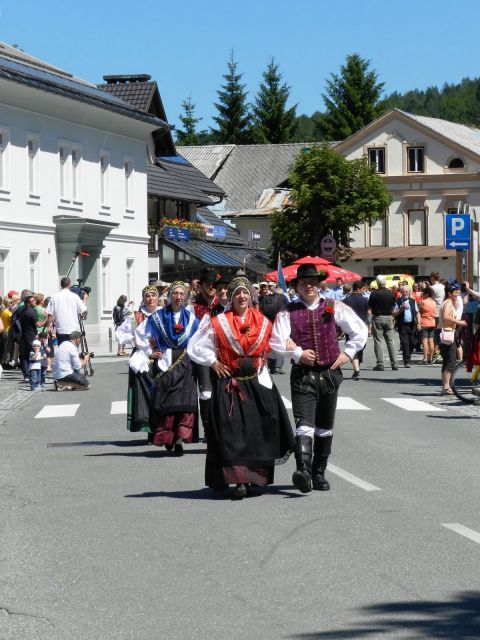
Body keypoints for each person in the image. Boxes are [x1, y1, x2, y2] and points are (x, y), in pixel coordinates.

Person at [187, 276, 295, 499]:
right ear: (231, 297)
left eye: (245, 292)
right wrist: (213, 362)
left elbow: (274, 346)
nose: (242, 296)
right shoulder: (218, 321)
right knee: (232, 432)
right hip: (230, 384)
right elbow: (196, 346)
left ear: (251, 295)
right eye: (237, 293)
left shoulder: (263, 321)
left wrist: (290, 347)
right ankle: (238, 481)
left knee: (256, 432)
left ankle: (254, 478)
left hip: (256, 383)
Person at [270, 263, 367, 494]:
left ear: (319, 284)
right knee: (304, 425)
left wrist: (347, 353)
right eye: (304, 282)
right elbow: (275, 341)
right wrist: (297, 353)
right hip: (303, 376)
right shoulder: (287, 311)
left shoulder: (334, 306)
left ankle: (319, 472)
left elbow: (360, 330)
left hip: (329, 374)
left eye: (313, 281)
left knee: (325, 427)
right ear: (297, 286)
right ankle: (303, 471)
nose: (309, 285)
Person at [131, 281, 200, 455]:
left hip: (185, 363)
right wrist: (150, 351)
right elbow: (139, 334)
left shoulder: (191, 318)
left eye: (181, 294)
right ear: (169, 296)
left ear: (185, 296)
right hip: (165, 363)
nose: (178, 297)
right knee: (167, 402)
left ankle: (178, 440)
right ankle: (168, 437)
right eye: (175, 294)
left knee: (184, 403)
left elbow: (200, 339)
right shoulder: (157, 317)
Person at [127, 286, 161, 439]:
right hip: (142, 356)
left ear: (158, 298)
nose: (151, 298)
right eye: (147, 296)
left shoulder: (164, 313)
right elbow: (122, 333)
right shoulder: (136, 316)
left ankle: (161, 427)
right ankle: (148, 428)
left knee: (161, 390)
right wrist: (135, 341)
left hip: (161, 355)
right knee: (144, 391)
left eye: (153, 295)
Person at [438, 285, 467, 395]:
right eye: (455, 292)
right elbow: (446, 317)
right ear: (449, 293)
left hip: (445, 332)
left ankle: (445, 386)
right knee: (451, 360)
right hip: (448, 333)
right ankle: (447, 386)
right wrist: (459, 322)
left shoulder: (448, 302)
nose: (458, 294)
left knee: (447, 361)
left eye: (458, 292)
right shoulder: (449, 302)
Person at [368, 275, 398, 371]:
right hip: (389, 317)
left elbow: (369, 308)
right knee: (390, 341)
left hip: (378, 318)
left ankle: (380, 364)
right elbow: (393, 307)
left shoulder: (374, 293)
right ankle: (394, 363)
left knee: (378, 341)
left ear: (377, 283)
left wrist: (370, 321)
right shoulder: (391, 294)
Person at [46, 277, 87, 346]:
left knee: (63, 352)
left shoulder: (55, 296)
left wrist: (48, 327)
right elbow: (84, 310)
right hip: (74, 329)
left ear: (61, 285)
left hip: (61, 329)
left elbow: (50, 315)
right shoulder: (75, 296)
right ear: (69, 284)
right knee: (73, 351)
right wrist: (85, 316)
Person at [259, 283, 288, 374]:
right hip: (280, 322)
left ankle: (271, 367)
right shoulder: (283, 297)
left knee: (269, 344)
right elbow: (288, 308)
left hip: (267, 323)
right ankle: (278, 366)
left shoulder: (262, 298)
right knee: (280, 343)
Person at [343, 280, 369, 379]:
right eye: (363, 289)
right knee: (359, 347)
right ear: (358, 289)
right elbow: (368, 314)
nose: (363, 291)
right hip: (362, 328)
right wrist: (369, 327)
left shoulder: (346, 300)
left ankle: (356, 369)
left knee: (352, 347)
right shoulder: (365, 300)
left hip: (349, 328)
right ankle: (357, 369)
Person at [392, 284, 420, 368]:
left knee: (413, 342)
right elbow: (394, 313)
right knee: (405, 343)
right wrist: (401, 308)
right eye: (403, 291)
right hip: (402, 325)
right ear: (400, 292)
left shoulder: (412, 301)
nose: (404, 293)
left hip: (412, 325)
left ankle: (408, 355)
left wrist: (419, 323)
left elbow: (417, 312)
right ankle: (407, 361)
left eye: (406, 291)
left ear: (409, 291)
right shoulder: (398, 301)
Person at [418, 286, 436, 364]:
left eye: (423, 294)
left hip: (424, 323)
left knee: (425, 341)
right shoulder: (434, 302)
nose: (422, 295)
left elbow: (418, 310)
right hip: (432, 323)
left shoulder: (423, 302)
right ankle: (430, 358)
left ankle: (425, 358)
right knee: (431, 341)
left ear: (427, 294)